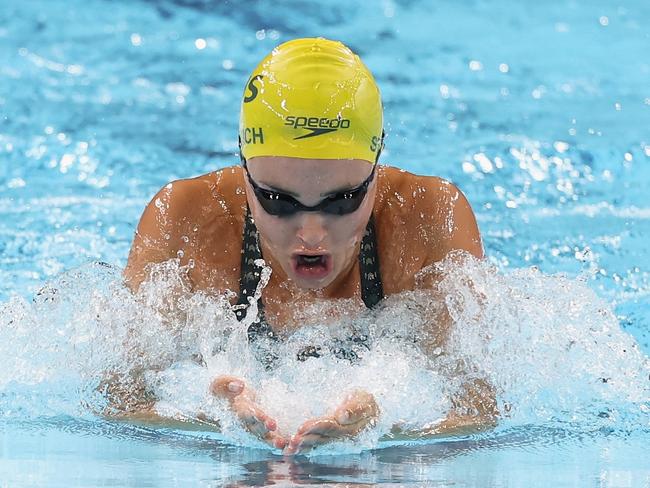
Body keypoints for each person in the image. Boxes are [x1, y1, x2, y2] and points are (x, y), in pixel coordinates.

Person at [122, 37, 496, 455]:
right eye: (278, 201)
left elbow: (479, 412)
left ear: (377, 165)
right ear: (243, 164)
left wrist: (384, 425)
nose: (313, 233)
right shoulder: (185, 221)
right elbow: (119, 401)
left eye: (344, 199)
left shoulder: (430, 221)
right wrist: (208, 415)